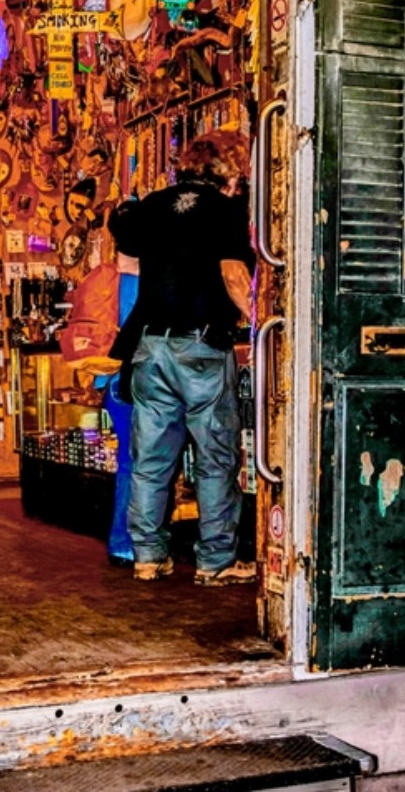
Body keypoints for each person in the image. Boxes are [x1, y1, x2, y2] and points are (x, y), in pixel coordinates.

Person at [107, 133, 256, 585]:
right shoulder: (225, 210)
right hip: (202, 346)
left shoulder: (152, 204)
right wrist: (258, 318)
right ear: (228, 172)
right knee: (215, 458)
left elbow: (127, 259)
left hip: (150, 346)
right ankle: (216, 562)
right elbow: (232, 273)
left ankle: (148, 556)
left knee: (151, 459)